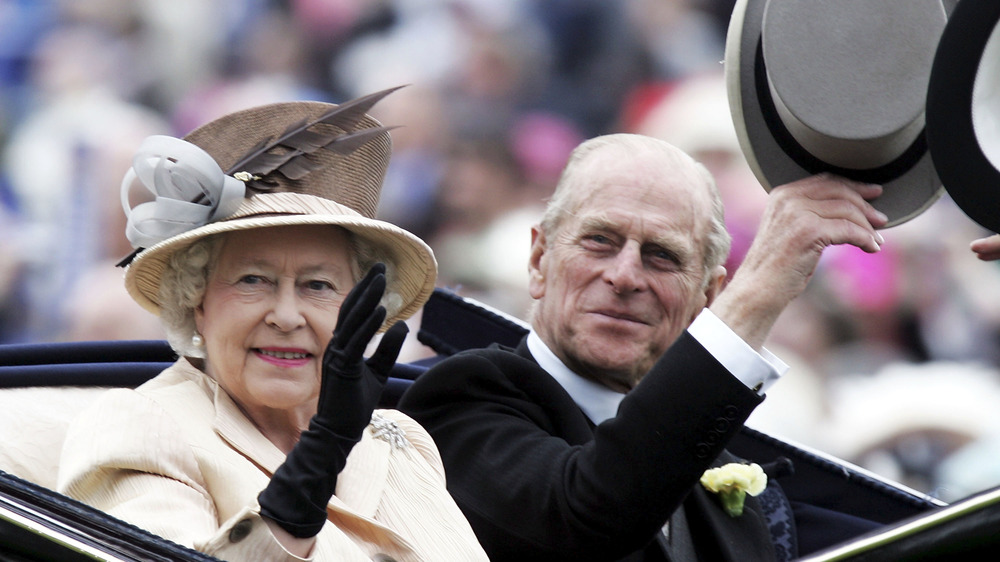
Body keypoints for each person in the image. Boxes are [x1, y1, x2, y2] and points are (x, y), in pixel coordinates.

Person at [398, 133, 887, 561]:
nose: (625, 276)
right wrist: (762, 287)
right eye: (600, 241)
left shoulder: (727, 481)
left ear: (707, 297)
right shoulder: (454, 403)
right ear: (539, 259)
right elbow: (590, 512)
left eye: (662, 255)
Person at [57, 89, 488, 561]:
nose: (285, 315)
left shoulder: (399, 440)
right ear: (196, 299)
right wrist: (317, 461)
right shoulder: (139, 426)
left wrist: (336, 437)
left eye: (318, 285)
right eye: (252, 280)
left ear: (363, 306)